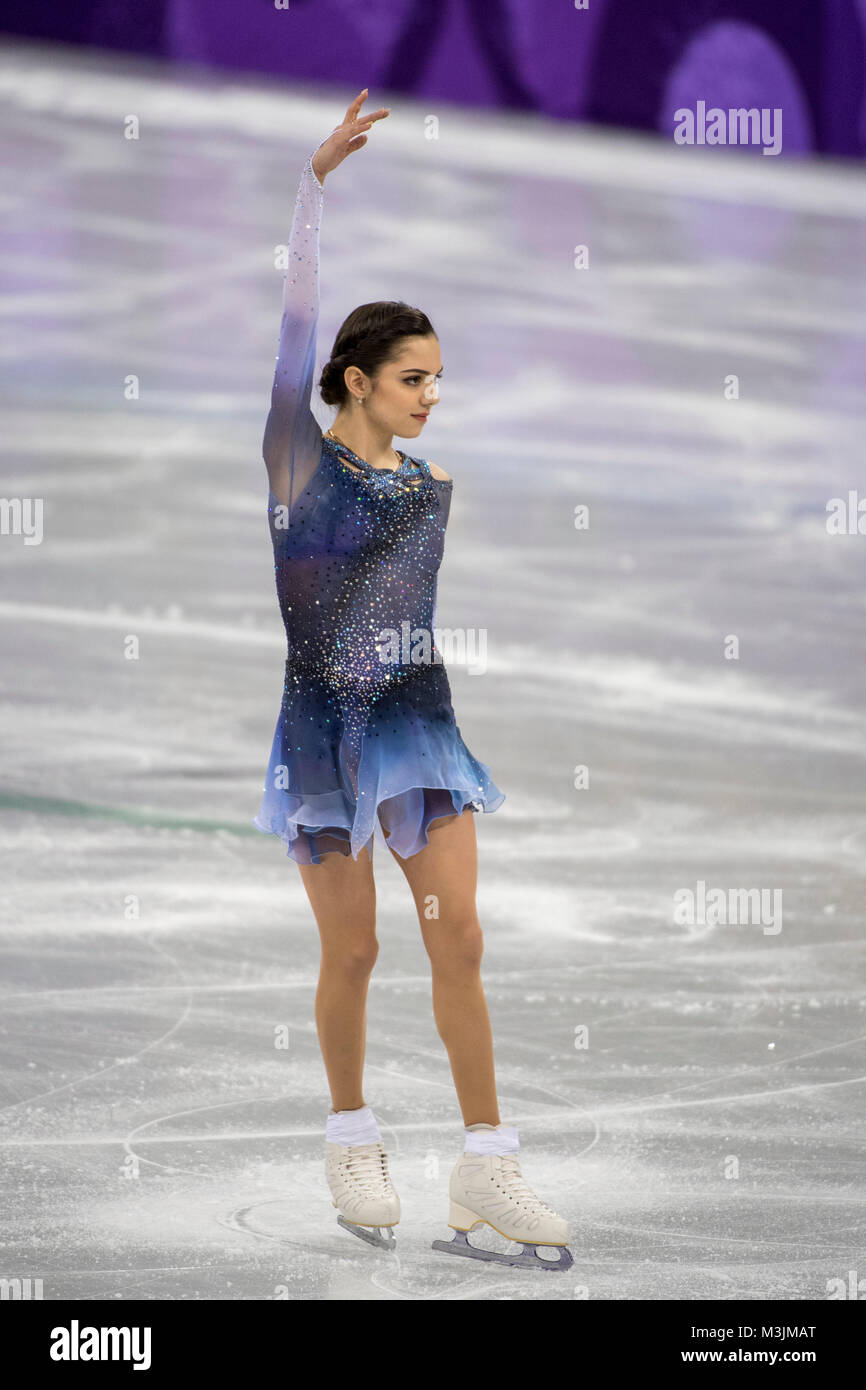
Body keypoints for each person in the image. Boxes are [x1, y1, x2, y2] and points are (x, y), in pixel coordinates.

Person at [254, 89, 571, 1271]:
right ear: (353, 381)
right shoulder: (296, 460)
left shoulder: (429, 486)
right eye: (411, 378)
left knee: (461, 940)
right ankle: (352, 1135)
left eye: (437, 377)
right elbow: (289, 330)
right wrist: (310, 188)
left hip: (419, 730)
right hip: (323, 737)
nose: (431, 396)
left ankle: (485, 1162)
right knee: (353, 953)